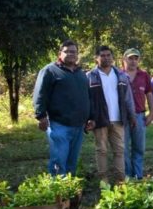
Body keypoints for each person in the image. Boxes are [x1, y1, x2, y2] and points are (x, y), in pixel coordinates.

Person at [32, 40, 92, 176]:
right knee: (59, 161)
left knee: (72, 162)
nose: (70, 54)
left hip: (78, 126)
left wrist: (91, 117)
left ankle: (69, 192)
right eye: (67, 51)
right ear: (60, 53)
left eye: (73, 52)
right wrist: (41, 116)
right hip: (58, 125)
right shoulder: (50, 71)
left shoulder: (80, 73)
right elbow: (39, 94)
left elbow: (88, 96)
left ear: (77, 55)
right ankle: (58, 192)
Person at [87, 45, 136, 185]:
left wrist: (132, 116)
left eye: (108, 55)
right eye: (102, 55)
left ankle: (120, 182)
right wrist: (89, 118)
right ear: (96, 58)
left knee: (119, 151)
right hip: (100, 120)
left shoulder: (121, 75)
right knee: (101, 150)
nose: (106, 58)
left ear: (113, 57)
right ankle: (104, 183)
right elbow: (87, 100)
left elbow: (128, 98)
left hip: (118, 119)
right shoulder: (90, 76)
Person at [122, 48, 153, 179]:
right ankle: (127, 177)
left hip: (140, 115)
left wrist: (152, 113)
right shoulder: (118, 74)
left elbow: (149, 94)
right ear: (124, 59)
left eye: (136, 58)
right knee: (123, 149)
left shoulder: (144, 75)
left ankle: (138, 176)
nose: (133, 61)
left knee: (139, 148)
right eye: (130, 58)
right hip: (123, 117)